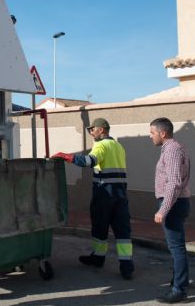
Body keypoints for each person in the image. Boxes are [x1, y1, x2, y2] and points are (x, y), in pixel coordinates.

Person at [52, 118, 134, 279]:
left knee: (99, 227)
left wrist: (67, 157)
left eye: (92, 129)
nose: (90, 132)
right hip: (120, 195)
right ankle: (127, 267)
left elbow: (89, 161)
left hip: (104, 194)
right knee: (123, 230)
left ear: (101, 130)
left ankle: (98, 258)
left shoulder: (101, 145)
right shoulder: (118, 146)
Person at [149, 117, 191, 304]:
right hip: (177, 202)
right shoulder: (173, 148)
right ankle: (179, 282)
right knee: (177, 246)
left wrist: (163, 210)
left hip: (173, 204)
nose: (150, 136)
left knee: (176, 247)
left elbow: (174, 183)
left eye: (152, 133)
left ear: (163, 133)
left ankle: (179, 290)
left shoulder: (173, 150)